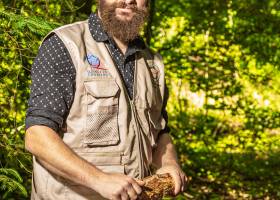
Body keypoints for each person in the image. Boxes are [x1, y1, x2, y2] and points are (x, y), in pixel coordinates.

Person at [25, 0, 187, 199]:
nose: (129, 0)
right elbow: (37, 136)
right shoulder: (66, 44)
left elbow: (161, 131)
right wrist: (98, 179)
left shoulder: (153, 62)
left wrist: (169, 161)